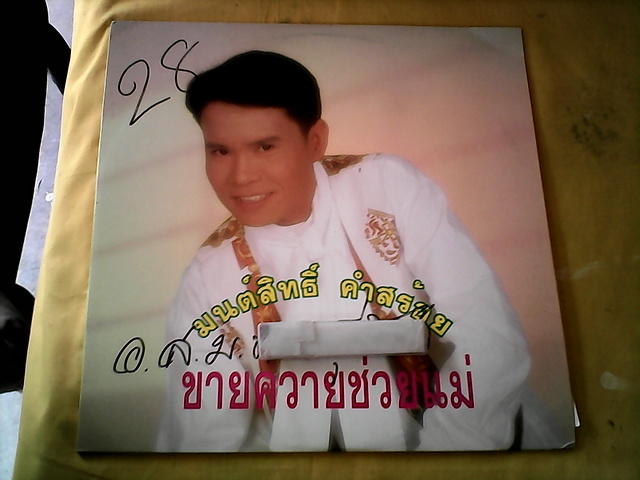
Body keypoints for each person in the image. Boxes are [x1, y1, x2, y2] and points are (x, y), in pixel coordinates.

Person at [157, 50, 530, 452]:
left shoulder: (385, 187)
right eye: (220, 151)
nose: (241, 176)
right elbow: (202, 436)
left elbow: (488, 337)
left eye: (264, 147)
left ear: (315, 141)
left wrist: (436, 467)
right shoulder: (208, 275)